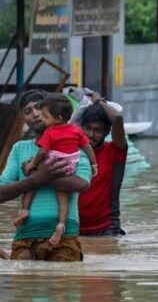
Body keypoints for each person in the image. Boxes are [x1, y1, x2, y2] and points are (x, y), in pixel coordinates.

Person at [0, 91, 92, 261]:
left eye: (39, 107)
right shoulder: (20, 149)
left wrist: (40, 176)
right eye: (28, 111)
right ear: (24, 119)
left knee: (63, 285)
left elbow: (82, 184)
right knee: (25, 286)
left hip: (65, 237)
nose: (36, 114)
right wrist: (37, 178)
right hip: (25, 237)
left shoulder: (73, 143)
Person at [14, 94, 98, 245]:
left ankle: (25, 211)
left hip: (52, 161)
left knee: (32, 184)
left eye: (45, 116)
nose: (41, 118)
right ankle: (61, 225)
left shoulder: (50, 132)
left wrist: (33, 165)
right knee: (63, 197)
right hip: (68, 165)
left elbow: (43, 152)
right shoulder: (75, 130)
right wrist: (94, 165)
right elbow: (87, 147)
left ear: (58, 119)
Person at [76, 97, 129, 236]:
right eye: (87, 128)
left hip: (106, 228)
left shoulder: (115, 151)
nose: (91, 135)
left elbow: (117, 118)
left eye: (97, 130)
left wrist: (98, 100)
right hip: (73, 228)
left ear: (106, 132)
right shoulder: (71, 152)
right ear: (80, 127)